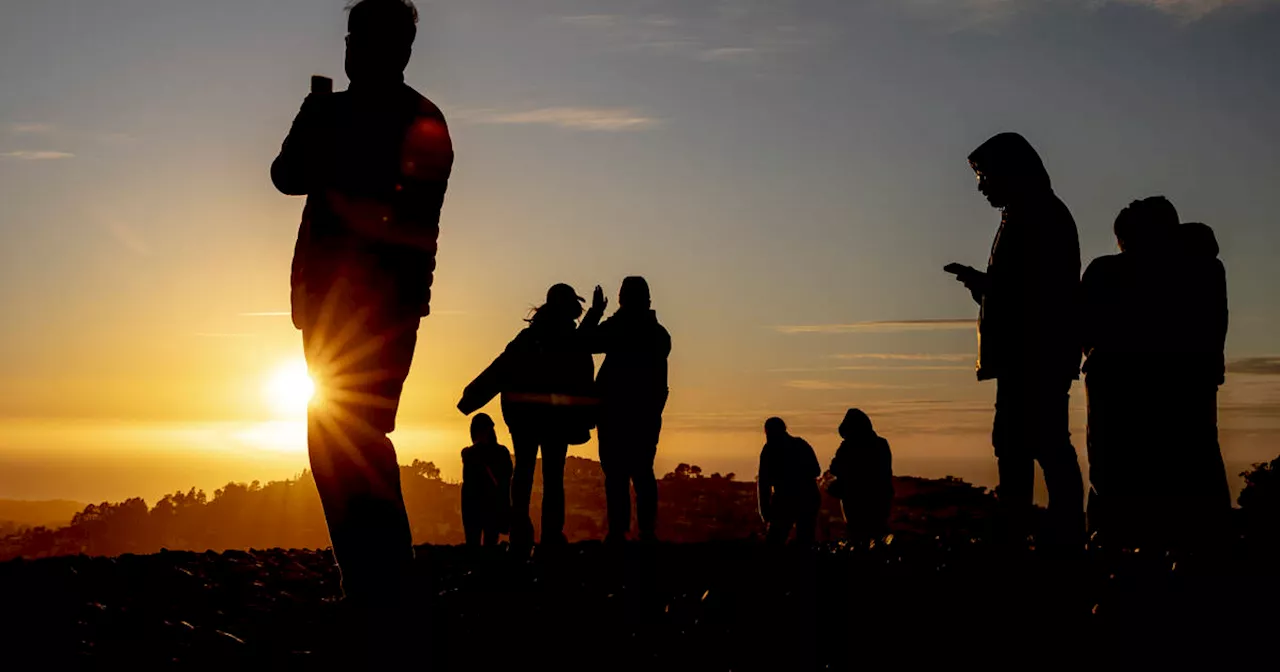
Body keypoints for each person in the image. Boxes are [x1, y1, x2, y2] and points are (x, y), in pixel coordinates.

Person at [270, 0, 453, 611]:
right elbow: (287, 176)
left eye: (361, 39)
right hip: (346, 303)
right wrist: (314, 124)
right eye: (350, 38)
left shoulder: (398, 121)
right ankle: (375, 581)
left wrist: (318, 127)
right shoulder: (408, 116)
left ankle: (381, 585)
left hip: (371, 304)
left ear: (394, 50)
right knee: (344, 435)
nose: (350, 50)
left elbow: (295, 177)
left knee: (349, 435)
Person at [945, 132, 1084, 549]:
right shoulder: (1026, 215)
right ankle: (1029, 532)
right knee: (1019, 445)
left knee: (1040, 444)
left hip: (1034, 355)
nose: (981, 186)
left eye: (985, 175)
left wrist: (988, 286)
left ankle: (1054, 537)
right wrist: (984, 286)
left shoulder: (1038, 216)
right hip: (1028, 354)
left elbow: (1039, 291)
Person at [1081, 199, 1229, 548]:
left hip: (1118, 391)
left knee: (1116, 471)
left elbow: (1078, 323)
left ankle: (1123, 551)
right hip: (1188, 389)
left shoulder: (1107, 271)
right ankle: (1195, 552)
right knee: (1192, 469)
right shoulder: (1204, 269)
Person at [457, 283, 605, 549]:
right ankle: (550, 537)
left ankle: (520, 537)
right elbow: (581, 343)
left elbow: (499, 369)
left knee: (523, 476)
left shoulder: (528, 338)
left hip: (523, 419)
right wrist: (594, 313)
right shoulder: (568, 339)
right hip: (557, 421)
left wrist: (470, 399)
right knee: (552, 478)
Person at [581, 277, 671, 543]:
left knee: (617, 474)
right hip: (646, 414)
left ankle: (619, 532)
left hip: (614, 412)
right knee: (643, 471)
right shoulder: (659, 334)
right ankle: (646, 532)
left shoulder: (619, 328)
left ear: (622, 299)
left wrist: (596, 312)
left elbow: (584, 342)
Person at [826, 409, 894, 544]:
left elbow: (835, 467)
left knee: (857, 534)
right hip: (880, 495)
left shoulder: (849, 446)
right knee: (877, 533)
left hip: (854, 496)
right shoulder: (881, 443)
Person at [757, 417, 821, 546]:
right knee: (805, 541)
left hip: (787, 500)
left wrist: (764, 511)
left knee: (775, 542)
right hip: (807, 497)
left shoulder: (769, 450)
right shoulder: (801, 444)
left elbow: (764, 483)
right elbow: (816, 471)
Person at [461, 413, 513, 549]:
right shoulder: (502, 452)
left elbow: (468, 484)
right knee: (491, 545)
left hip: (473, 507)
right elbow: (506, 481)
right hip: (494, 506)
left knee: (473, 545)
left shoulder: (469, 454)